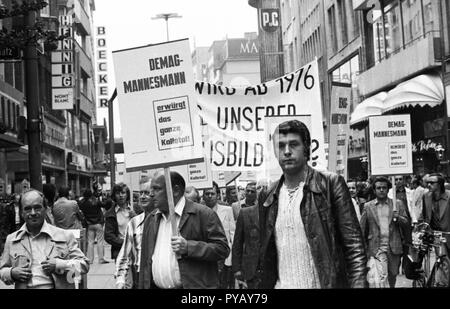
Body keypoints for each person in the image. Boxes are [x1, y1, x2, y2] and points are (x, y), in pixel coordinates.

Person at [257, 120, 367, 288]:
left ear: (306, 148)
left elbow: (354, 247)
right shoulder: (268, 196)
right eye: (281, 146)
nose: (286, 151)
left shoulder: (330, 185)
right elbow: (266, 255)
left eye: (294, 144)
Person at [139, 171, 229, 289]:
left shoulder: (203, 214)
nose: (151, 194)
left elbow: (222, 249)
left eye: (156, 189)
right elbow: (145, 263)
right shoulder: (151, 219)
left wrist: (189, 247)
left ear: (175, 190)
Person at [0, 189, 89, 289]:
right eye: (27, 209)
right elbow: (2, 270)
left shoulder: (64, 236)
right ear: (21, 213)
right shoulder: (12, 240)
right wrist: (11, 273)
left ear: (45, 209)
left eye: (37, 207)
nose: (33, 213)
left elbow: (84, 265)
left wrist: (59, 264)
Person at [360, 177, 410, 288]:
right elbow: (362, 230)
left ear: (388, 190)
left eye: (384, 188)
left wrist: (399, 217)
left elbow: (407, 223)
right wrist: (364, 250)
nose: (381, 190)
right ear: (374, 190)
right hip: (376, 248)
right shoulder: (368, 206)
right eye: (379, 188)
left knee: (392, 276)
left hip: (393, 247)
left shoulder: (397, 204)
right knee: (379, 278)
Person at [116, 181, 153, 289]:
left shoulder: (165, 221)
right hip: (139, 278)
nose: (142, 196)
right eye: (140, 193)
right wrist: (120, 279)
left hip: (157, 278)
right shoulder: (134, 222)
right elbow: (124, 255)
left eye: (146, 193)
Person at [203, 182, 235, 289]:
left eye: (212, 193)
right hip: (205, 256)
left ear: (217, 194)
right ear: (203, 196)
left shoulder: (228, 210)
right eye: (207, 194)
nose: (210, 196)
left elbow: (232, 234)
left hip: (224, 256)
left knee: (223, 285)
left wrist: (231, 256)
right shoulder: (199, 211)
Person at [105, 183, 136, 261]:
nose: (121, 195)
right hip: (120, 251)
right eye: (118, 193)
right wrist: (125, 243)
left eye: (123, 193)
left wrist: (136, 217)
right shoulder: (111, 213)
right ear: (114, 195)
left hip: (137, 250)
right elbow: (108, 236)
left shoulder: (136, 209)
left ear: (127, 194)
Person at [232, 204, 260, 289]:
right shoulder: (245, 213)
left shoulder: (278, 211)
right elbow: (238, 242)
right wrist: (237, 268)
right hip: (251, 269)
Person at [78, 189, 109, 264]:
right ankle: (101, 259)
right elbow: (105, 204)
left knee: (90, 242)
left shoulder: (82, 203)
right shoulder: (96, 201)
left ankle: (90, 260)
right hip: (98, 223)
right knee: (100, 241)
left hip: (89, 224)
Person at [422, 173, 450, 251]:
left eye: (432, 183)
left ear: (440, 184)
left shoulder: (449, 196)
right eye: (427, 183)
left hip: (448, 234)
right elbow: (425, 216)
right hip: (436, 236)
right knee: (442, 260)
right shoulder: (426, 196)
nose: (429, 185)